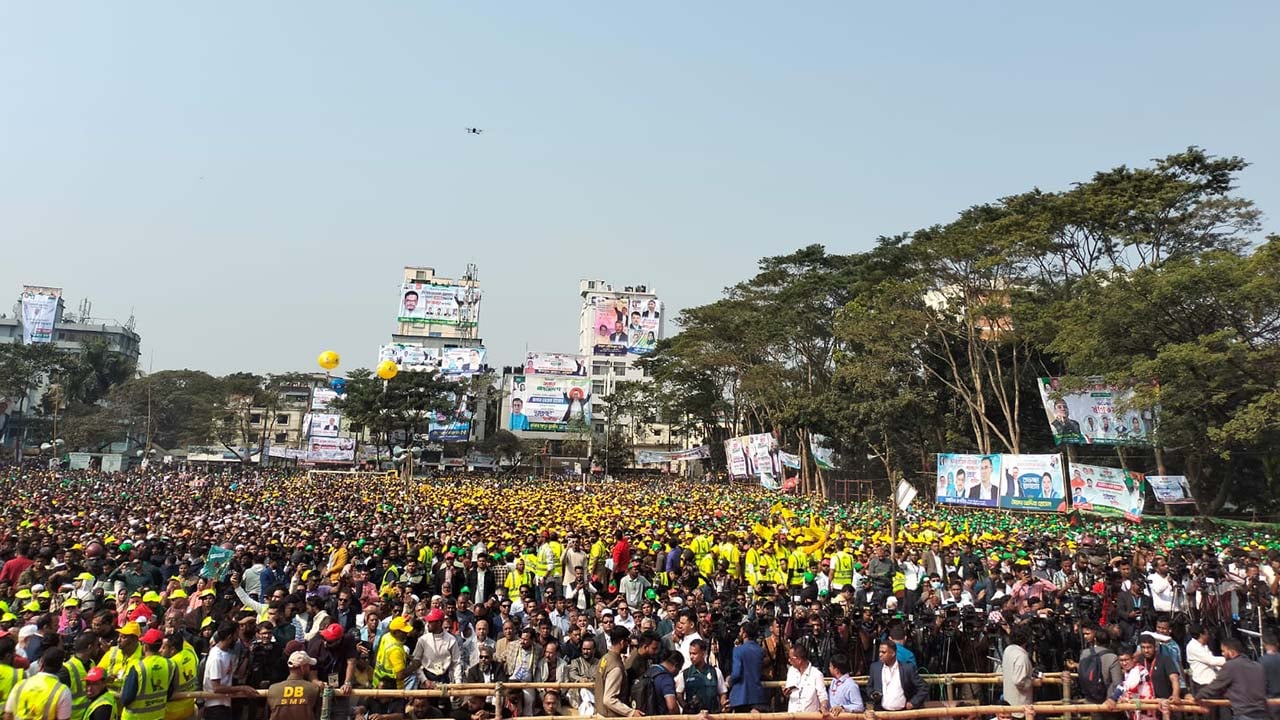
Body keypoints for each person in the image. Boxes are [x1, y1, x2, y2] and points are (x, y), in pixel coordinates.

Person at [1194, 637, 1269, 720]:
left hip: (1244, 714)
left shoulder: (1231, 666)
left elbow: (1215, 686)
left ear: (1231, 652)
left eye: (1223, 651)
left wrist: (1197, 697)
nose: (1222, 654)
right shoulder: (1258, 666)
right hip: (1263, 713)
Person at [119, 628, 176, 720]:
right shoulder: (170, 665)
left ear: (145, 646)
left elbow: (126, 698)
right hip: (157, 716)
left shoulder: (138, 668)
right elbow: (169, 692)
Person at [4, 647, 72, 720]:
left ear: (40, 664)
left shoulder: (20, 685)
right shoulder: (63, 691)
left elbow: (8, 715)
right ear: (60, 667)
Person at [867, 640, 926, 711]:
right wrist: (872, 694)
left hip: (902, 714)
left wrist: (913, 702)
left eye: (883, 652)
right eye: (879, 652)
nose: (880, 654)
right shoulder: (875, 667)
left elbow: (923, 687)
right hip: (881, 713)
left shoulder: (907, 669)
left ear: (893, 653)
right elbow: (869, 686)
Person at [593, 626, 638, 717]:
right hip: (610, 716)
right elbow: (609, 700)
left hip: (601, 713)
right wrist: (631, 712)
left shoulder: (605, 658)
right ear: (622, 642)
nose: (628, 645)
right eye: (627, 642)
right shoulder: (615, 667)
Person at [674, 639, 726, 714]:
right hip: (693, 717)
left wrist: (722, 707)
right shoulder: (685, 674)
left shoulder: (716, 672)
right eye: (690, 653)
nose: (691, 657)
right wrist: (686, 707)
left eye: (694, 654)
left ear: (703, 653)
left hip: (712, 715)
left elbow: (722, 693)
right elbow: (679, 694)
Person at [266, 651, 322, 720]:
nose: (309, 668)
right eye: (308, 665)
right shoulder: (313, 689)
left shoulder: (273, 689)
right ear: (302, 667)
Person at [726, 621, 766, 712]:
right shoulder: (760, 650)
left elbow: (736, 673)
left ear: (744, 634)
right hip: (757, 696)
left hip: (741, 697)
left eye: (740, 632)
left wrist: (729, 680)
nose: (739, 634)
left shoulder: (738, 650)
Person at [1001, 624, 1035, 714]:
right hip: (1020, 705)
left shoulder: (1008, 650)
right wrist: (1033, 682)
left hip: (1008, 701)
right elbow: (1018, 681)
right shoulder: (1021, 656)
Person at [1185, 624, 1224, 692]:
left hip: (1213, 682)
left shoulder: (1204, 646)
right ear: (1201, 635)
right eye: (1207, 633)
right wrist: (1230, 660)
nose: (1209, 636)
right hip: (1203, 683)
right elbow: (1211, 660)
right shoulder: (1193, 647)